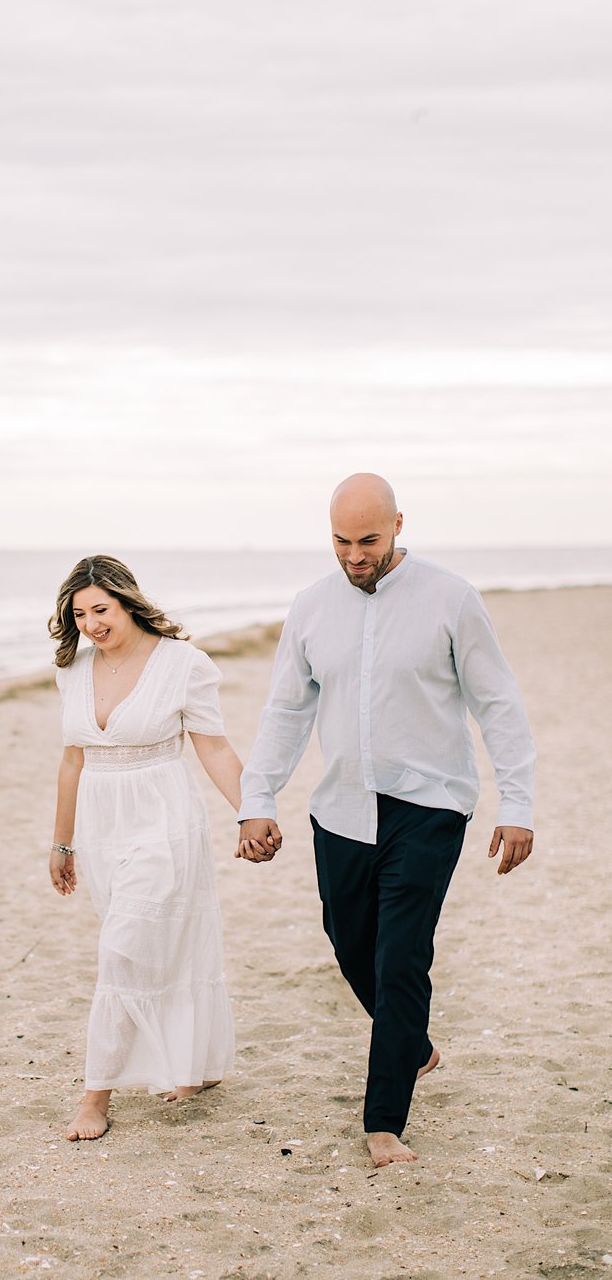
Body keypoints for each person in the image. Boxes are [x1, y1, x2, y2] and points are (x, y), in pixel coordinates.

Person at [236, 474, 535, 1168]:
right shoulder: (311, 607)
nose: (354, 554)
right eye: (341, 540)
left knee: (402, 953)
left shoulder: (451, 599)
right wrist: (260, 797)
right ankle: (415, 1045)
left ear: (399, 524)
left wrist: (516, 805)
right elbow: (286, 710)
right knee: (348, 942)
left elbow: (499, 704)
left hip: (429, 803)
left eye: (368, 539)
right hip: (340, 806)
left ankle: (383, 1124)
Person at [48, 554, 243, 1142]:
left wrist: (253, 810)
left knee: (123, 949)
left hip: (164, 819)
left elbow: (213, 748)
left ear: (127, 601)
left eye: (100, 609)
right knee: (155, 947)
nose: (91, 624)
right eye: (79, 614)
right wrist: (62, 842)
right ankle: (190, 1066)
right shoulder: (72, 671)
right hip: (102, 827)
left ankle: (94, 1096)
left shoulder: (183, 664)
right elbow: (71, 761)